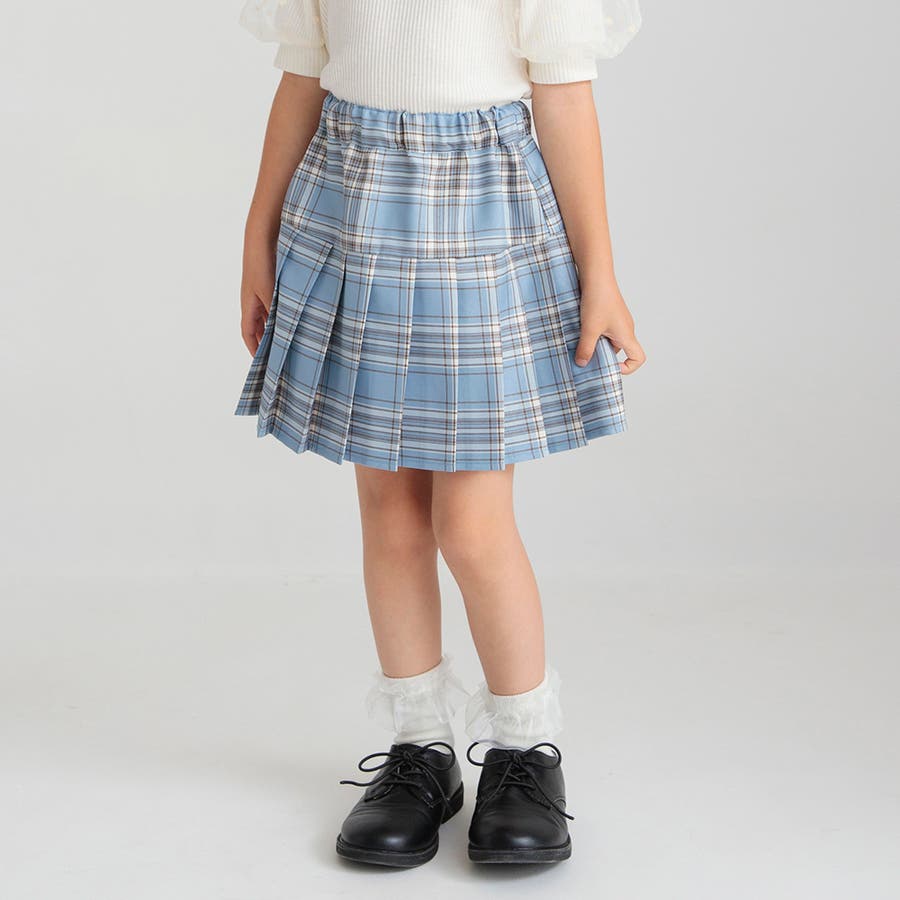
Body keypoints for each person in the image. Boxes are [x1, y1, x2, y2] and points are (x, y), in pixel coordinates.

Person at [234, 0, 645, 868]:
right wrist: (256, 235)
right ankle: (419, 749)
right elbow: (303, 74)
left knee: (472, 524)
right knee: (390, 514)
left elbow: (564, 93)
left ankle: (524, 752)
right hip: (348, 202)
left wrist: (600, 273)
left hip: (482, 208)